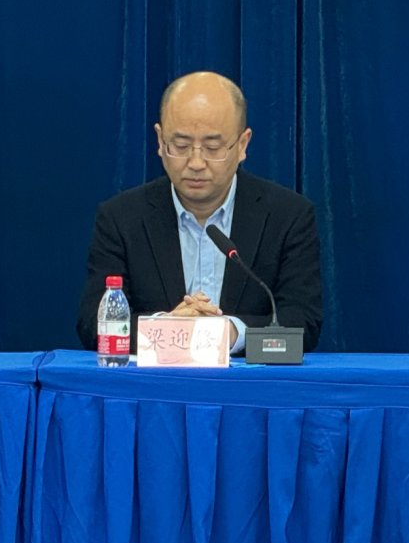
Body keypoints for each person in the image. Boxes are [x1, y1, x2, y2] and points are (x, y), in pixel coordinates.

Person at [74, 71, 324, 353]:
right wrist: (167, 328)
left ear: (242, 145)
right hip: (157, 380)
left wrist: (229, 333)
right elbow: (94, 323)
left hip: (246, 379)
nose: (195, 162)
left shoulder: (287, 216)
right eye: (180, 146)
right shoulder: (121, 218)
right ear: (160, 141)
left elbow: (303, 323)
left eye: (213, 147)